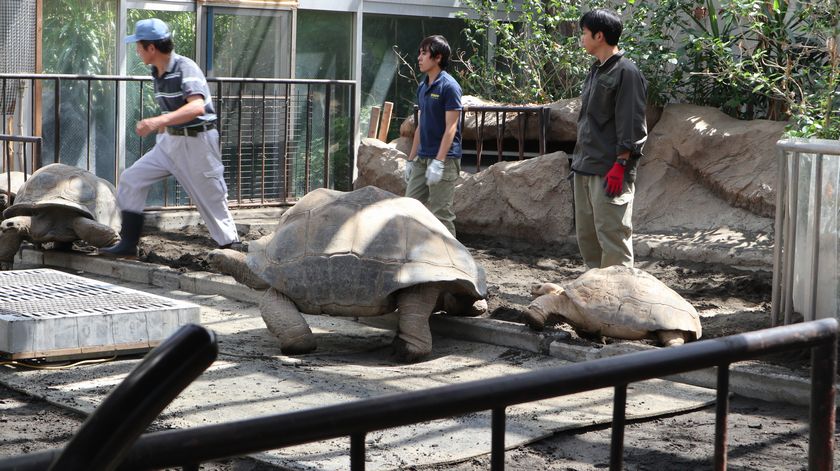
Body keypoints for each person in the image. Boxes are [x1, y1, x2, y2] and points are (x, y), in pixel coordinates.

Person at [102, 18, 239, 257]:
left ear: (151, 48)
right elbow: (175, 110)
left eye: (138, 46)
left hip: (197, 143)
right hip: (170, 143)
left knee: (210, 197)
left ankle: (231, 248)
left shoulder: (185, 67)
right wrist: (166, 125)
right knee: (131, 179)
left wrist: (158, 121)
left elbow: (196, 107)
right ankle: (128, 244)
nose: (136, 51)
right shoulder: (157, 71)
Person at [571, 8, 647, 269]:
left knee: (613, 239)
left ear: (599, 36)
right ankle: (594, 303)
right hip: (585, 166)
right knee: (588, 240)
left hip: (610, 170)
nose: (582, 38)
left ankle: (620, 304)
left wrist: (620, 165)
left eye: (584, 33)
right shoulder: (595, 71)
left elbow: (632, 123)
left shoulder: (627, 72)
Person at [404, 34, 463, 238]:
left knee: (441, 217)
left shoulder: (450, 86)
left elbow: (451, 127)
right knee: (408, 209)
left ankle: (453, 265)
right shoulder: (423, 86)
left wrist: (438, 161)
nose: (419, 58)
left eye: (424, 53)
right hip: (422, 158)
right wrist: (410, 160)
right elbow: (420, 126)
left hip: (444, 160)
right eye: (419, 53)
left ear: (437, 57)